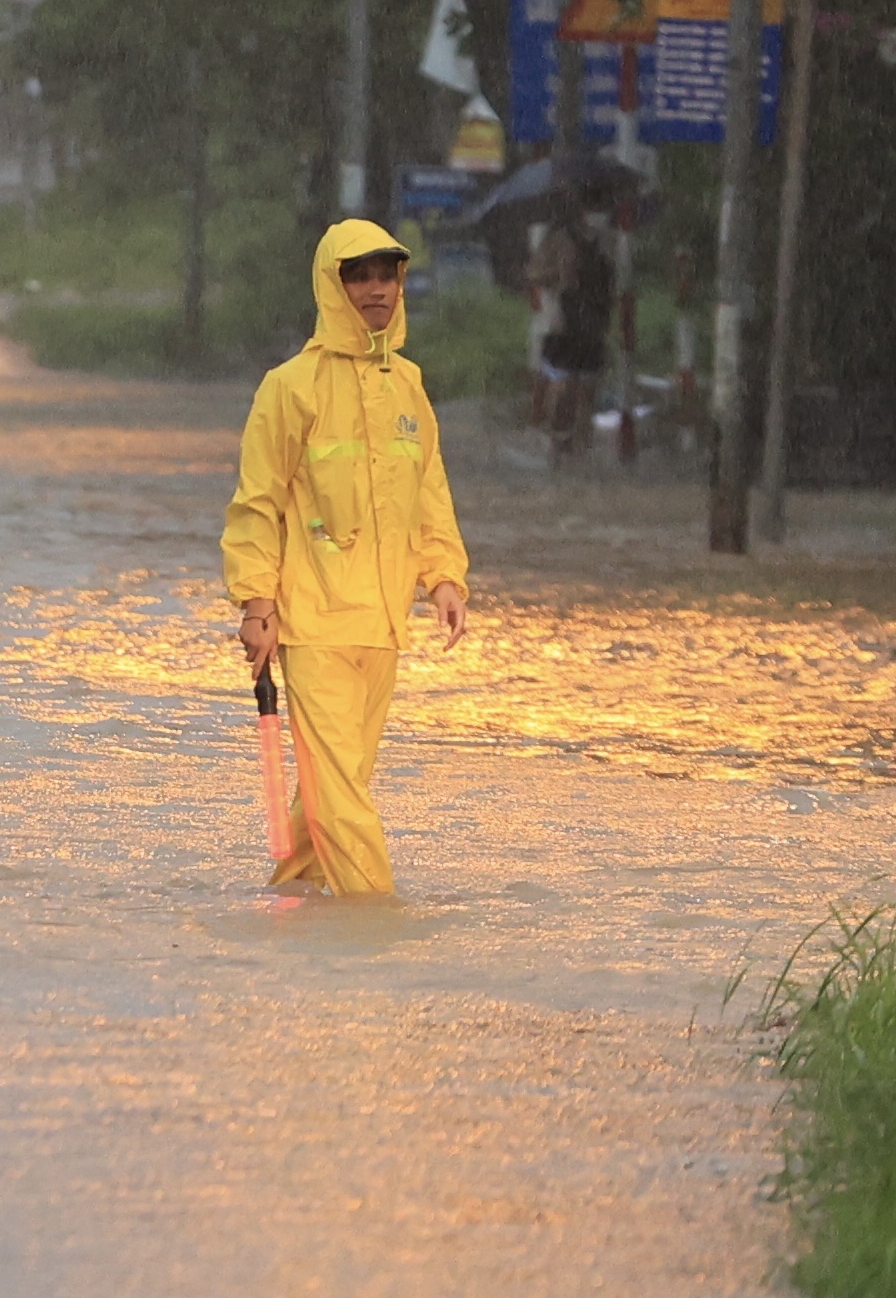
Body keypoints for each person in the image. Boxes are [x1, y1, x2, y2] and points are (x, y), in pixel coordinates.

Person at [221, 218, 471, 896]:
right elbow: (257, 503)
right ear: (332, 286)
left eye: (385, 274)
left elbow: (428, 489)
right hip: (315, 624)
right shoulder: (290, 386)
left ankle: (290, 904)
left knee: (334, 790)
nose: (374, 289)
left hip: (383, 626)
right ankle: (375, 924)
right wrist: (256, 604)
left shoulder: (408, 386)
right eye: (357, 275)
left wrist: (443, 577)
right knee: (342, 798)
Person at [528, 188, 615, 457]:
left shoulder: (605, 241)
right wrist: (560, 274)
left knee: (588, 386)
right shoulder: (559, 239)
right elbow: (534, 273)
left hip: (593, 320)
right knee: (564, 384)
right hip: (564, 320)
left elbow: (612, 279)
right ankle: (557, 436)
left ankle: (581, 445)